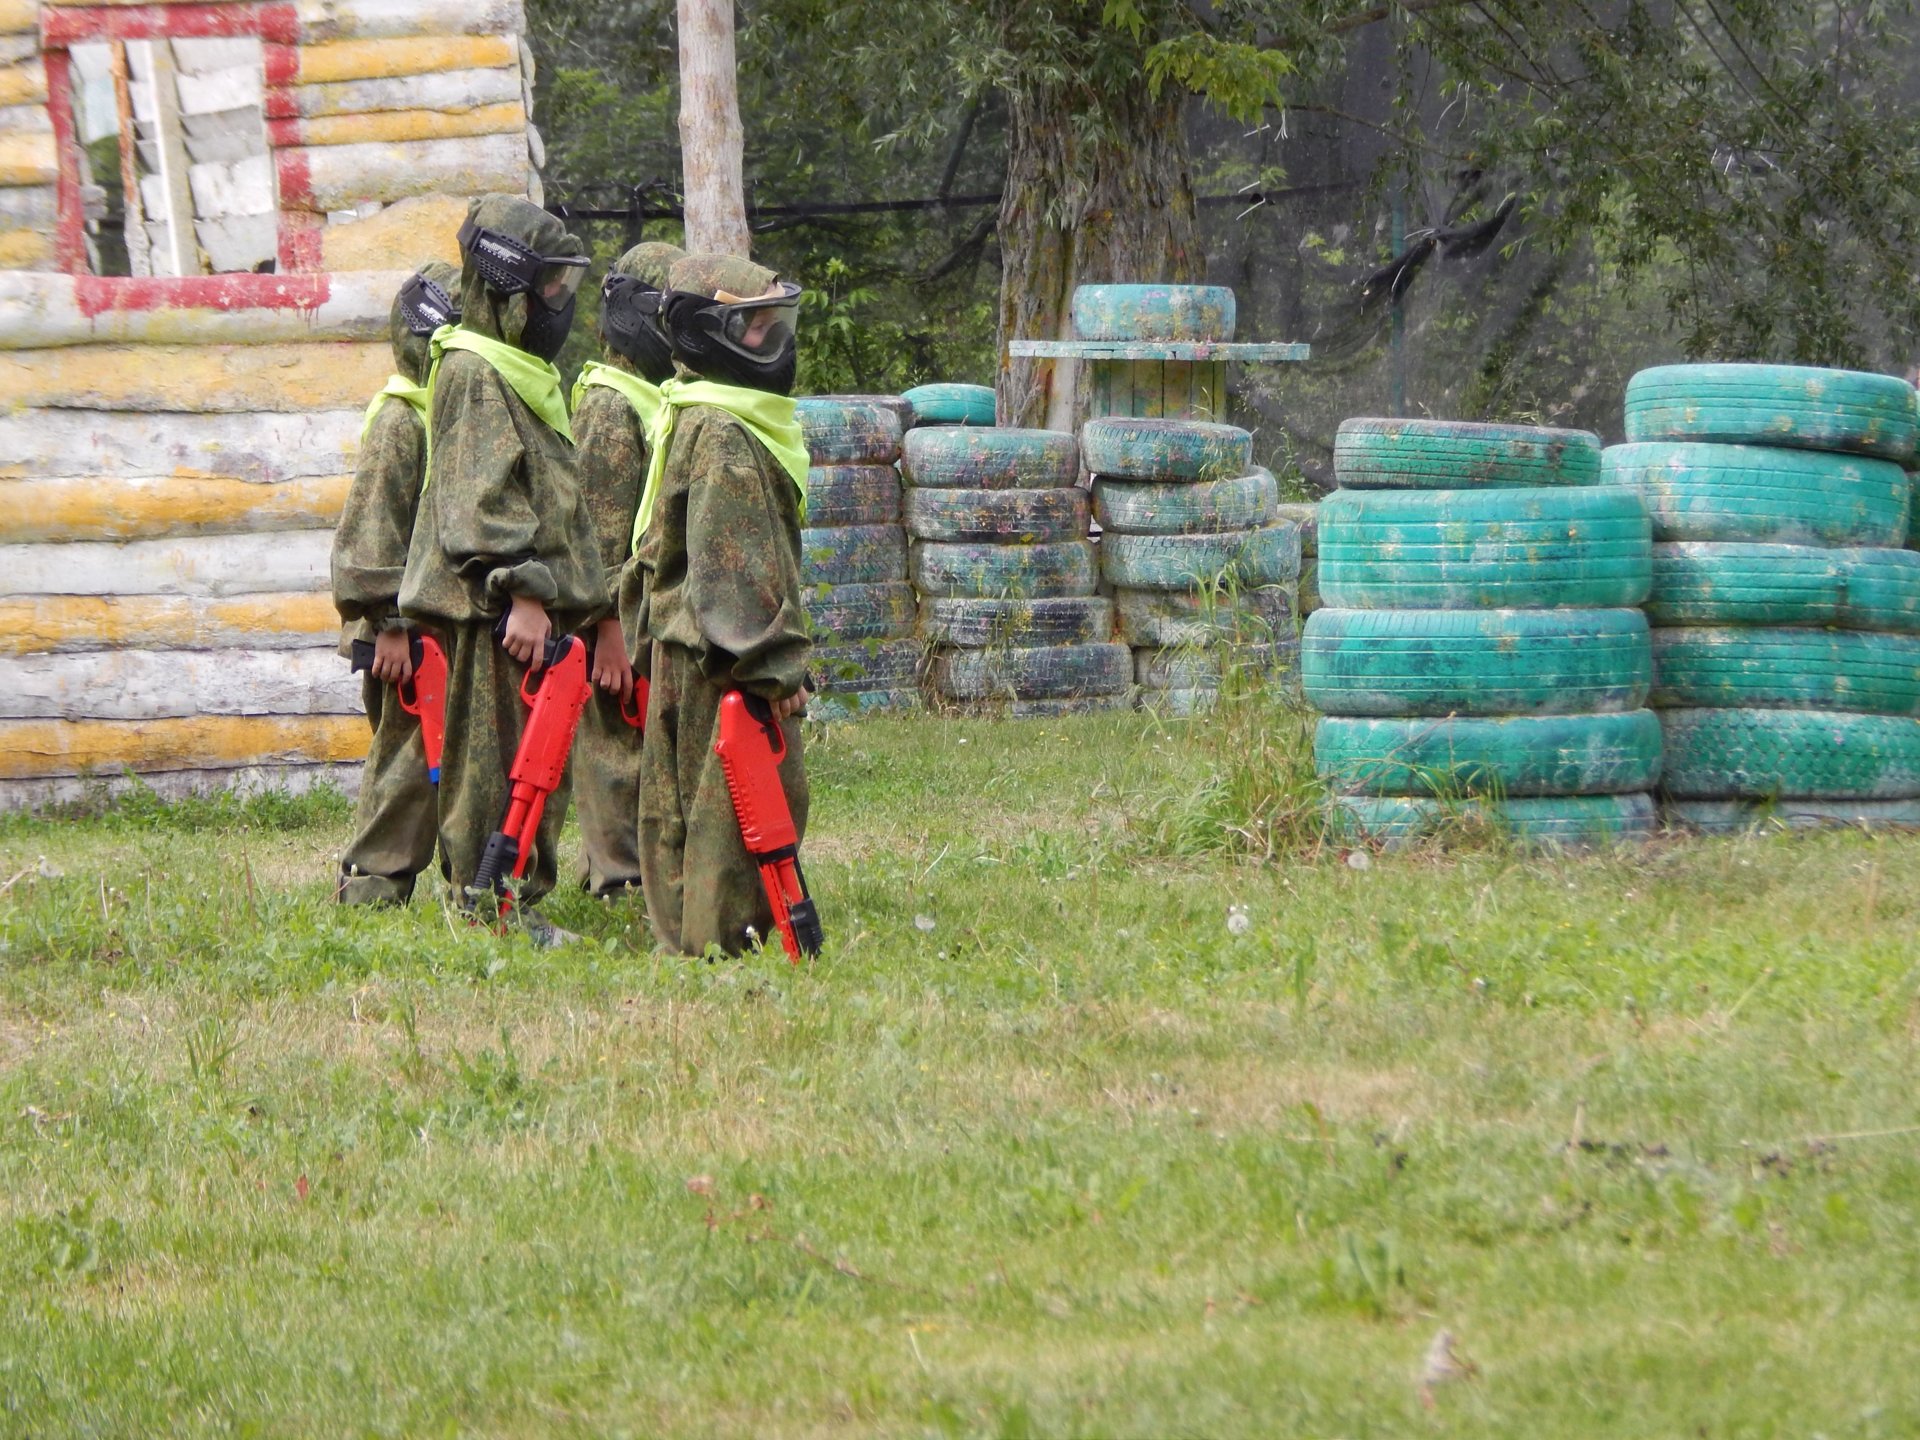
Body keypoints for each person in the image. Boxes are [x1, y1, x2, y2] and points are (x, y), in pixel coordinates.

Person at [397, 194, 607, 935]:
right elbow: (479, 500)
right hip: (489, 612)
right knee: (495, 772)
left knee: (535, 763)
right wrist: (519, 590)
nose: (560, 304)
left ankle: (513, 900)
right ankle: (487, 905)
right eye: (549, 287)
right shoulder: (473, 370)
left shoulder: (508, 368)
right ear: (505, 284)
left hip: (513, 612)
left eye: (565, 287)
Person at [631, 253, 815, 955]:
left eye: (776, 325)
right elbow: (732, 574)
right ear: (709, 333)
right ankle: (721, 945)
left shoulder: (698, 414)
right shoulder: (727, 434)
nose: (774, 344)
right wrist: (772, 670)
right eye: (755, 327)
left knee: (689, 806)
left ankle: (696, 938)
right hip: (724, 664)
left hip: (696, 652)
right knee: (735, 808)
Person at [330, 261, 459, 905]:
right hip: (395, 629)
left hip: (420, 626)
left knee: (428, 758)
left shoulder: (437, 417)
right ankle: (372, 883)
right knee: (404, 758)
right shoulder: (400, 422)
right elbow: (371, 538)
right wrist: (388, 625)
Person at [569, 240, 685, 899]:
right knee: (613, 746)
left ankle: (642, 866)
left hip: (644, 612)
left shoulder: (646, 399)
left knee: (643, 749)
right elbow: (595, 538)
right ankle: (619, 877)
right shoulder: (612, 409)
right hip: (617, 620)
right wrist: (606, 625)